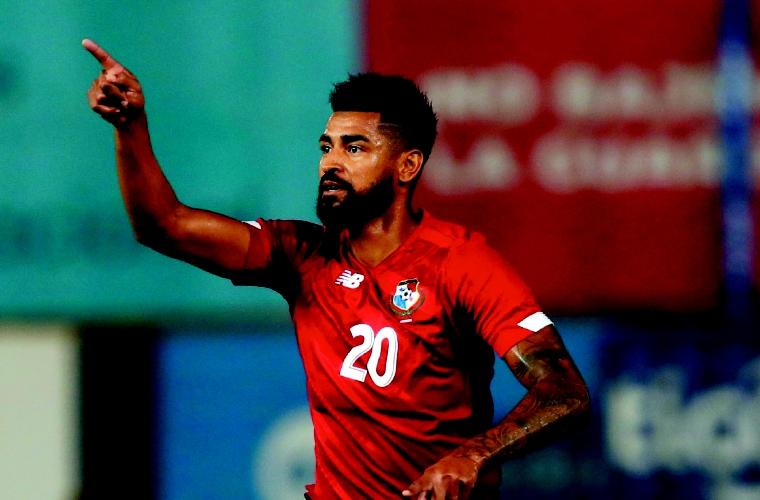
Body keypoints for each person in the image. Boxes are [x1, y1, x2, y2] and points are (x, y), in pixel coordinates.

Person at [83, 38, 590, 500]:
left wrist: (473, 455)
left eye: (355, 147)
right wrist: (130, 127)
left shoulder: (461, 263)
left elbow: (563, 392)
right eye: (327, 147)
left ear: (407, 166)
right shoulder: (301, 255)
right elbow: (163, 225)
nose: (330, 162)